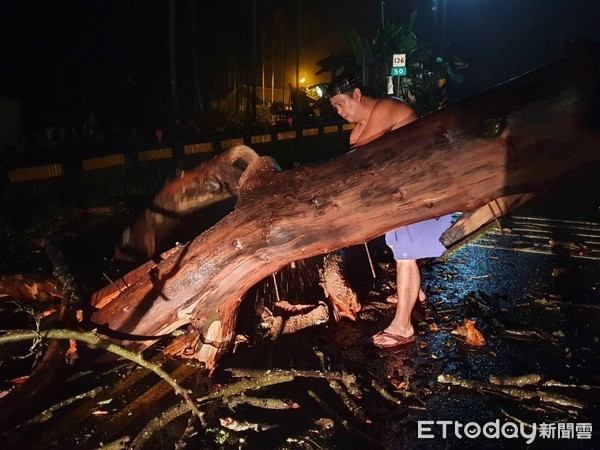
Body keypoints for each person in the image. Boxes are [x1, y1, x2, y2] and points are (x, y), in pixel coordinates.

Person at [326, 74, 453, 348]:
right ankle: (413, 293)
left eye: (340, 103)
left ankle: (403, 326)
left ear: (357, 94)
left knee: (405, 255)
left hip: (423, 189)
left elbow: (362, 154)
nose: (339, 111)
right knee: (399, 247)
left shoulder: (386, 107)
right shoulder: (358, 128)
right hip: (400, 193)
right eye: (334, 106)